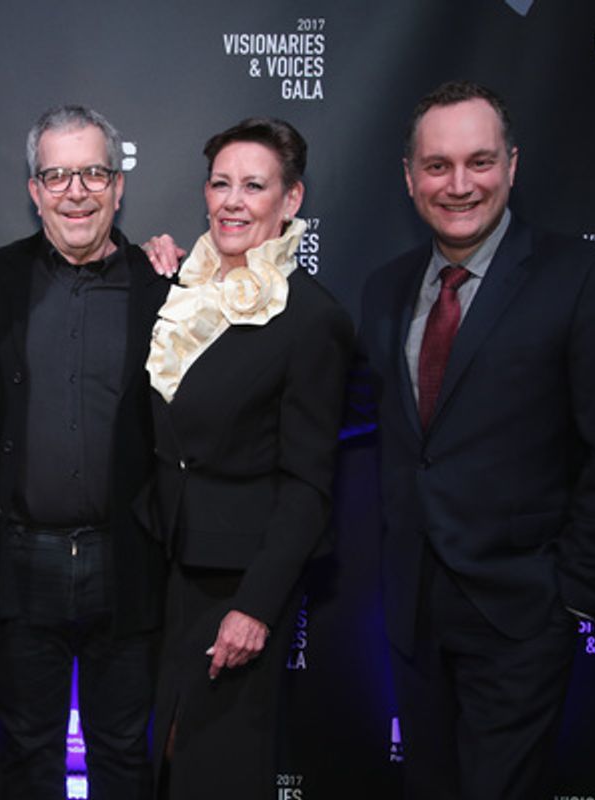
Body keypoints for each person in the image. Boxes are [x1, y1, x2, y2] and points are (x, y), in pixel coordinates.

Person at [359, 80, 595, 799]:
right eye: (437, 166)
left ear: (513, 165)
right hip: (412, 612)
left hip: (522, 615)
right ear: (409, 177)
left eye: (480, 161)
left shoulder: (585, 279)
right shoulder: (385, 288)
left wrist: (575, 599)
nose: (459, 184)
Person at [140, 117, 354, 799]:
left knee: (216, 769)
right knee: (163, 764)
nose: (232, 201)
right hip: (162, 570)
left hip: (235, 586)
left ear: (290, 201)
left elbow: (309, 483)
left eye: (254, 186)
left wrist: (257, 605)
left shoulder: (312, 318)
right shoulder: (179, 290)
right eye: (220, 183)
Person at [0, 105, 168, 799]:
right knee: (27, 752)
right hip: (23, 559)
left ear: (119, 185)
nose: (75, 191)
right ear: (33, 190)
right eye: (57, 175)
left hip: (129, 557)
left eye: (92, 173)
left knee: (122, 750)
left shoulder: (166, 286)